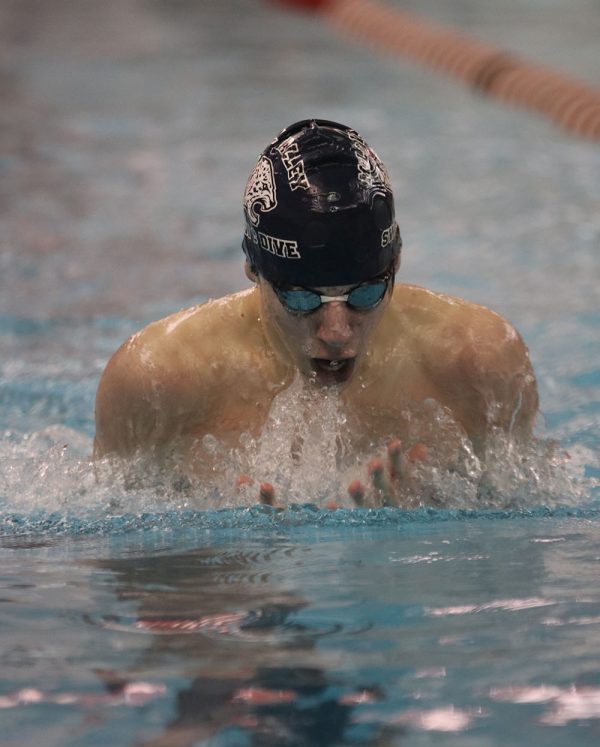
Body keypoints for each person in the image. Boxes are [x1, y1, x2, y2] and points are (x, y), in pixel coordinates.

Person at [94, 118, 538, 506]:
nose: (337, 332)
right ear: (253, 269)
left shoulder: (477, 360)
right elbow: (120, 564)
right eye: (303, 300)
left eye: (364, 295)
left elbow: (517, 549)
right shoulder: (158, 379)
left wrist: (429, 521)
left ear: (396, 263)